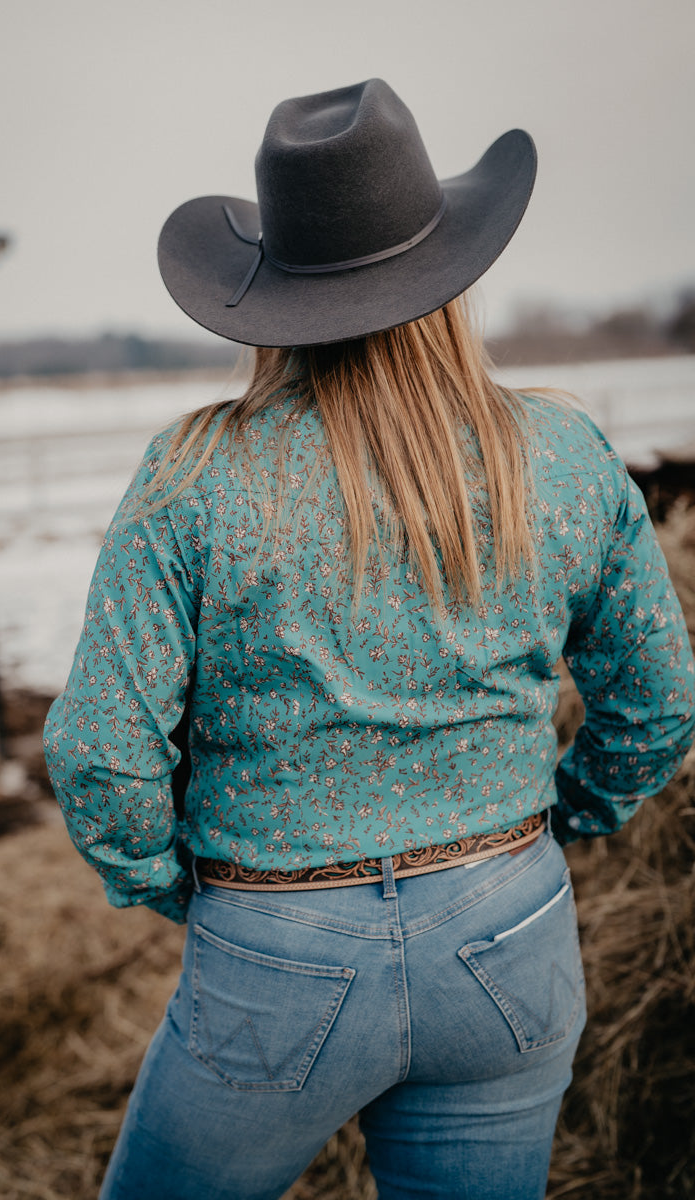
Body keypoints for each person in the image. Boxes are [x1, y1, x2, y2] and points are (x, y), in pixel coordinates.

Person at [44, 79, 695, 1200]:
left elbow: (103, 754)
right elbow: (657, 702)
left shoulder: (196, 474)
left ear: (271, 288)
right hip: (510, 921)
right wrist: (567, 819)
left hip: (272, 945)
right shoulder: (557, 452)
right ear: (445, 270)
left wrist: (175, 887)